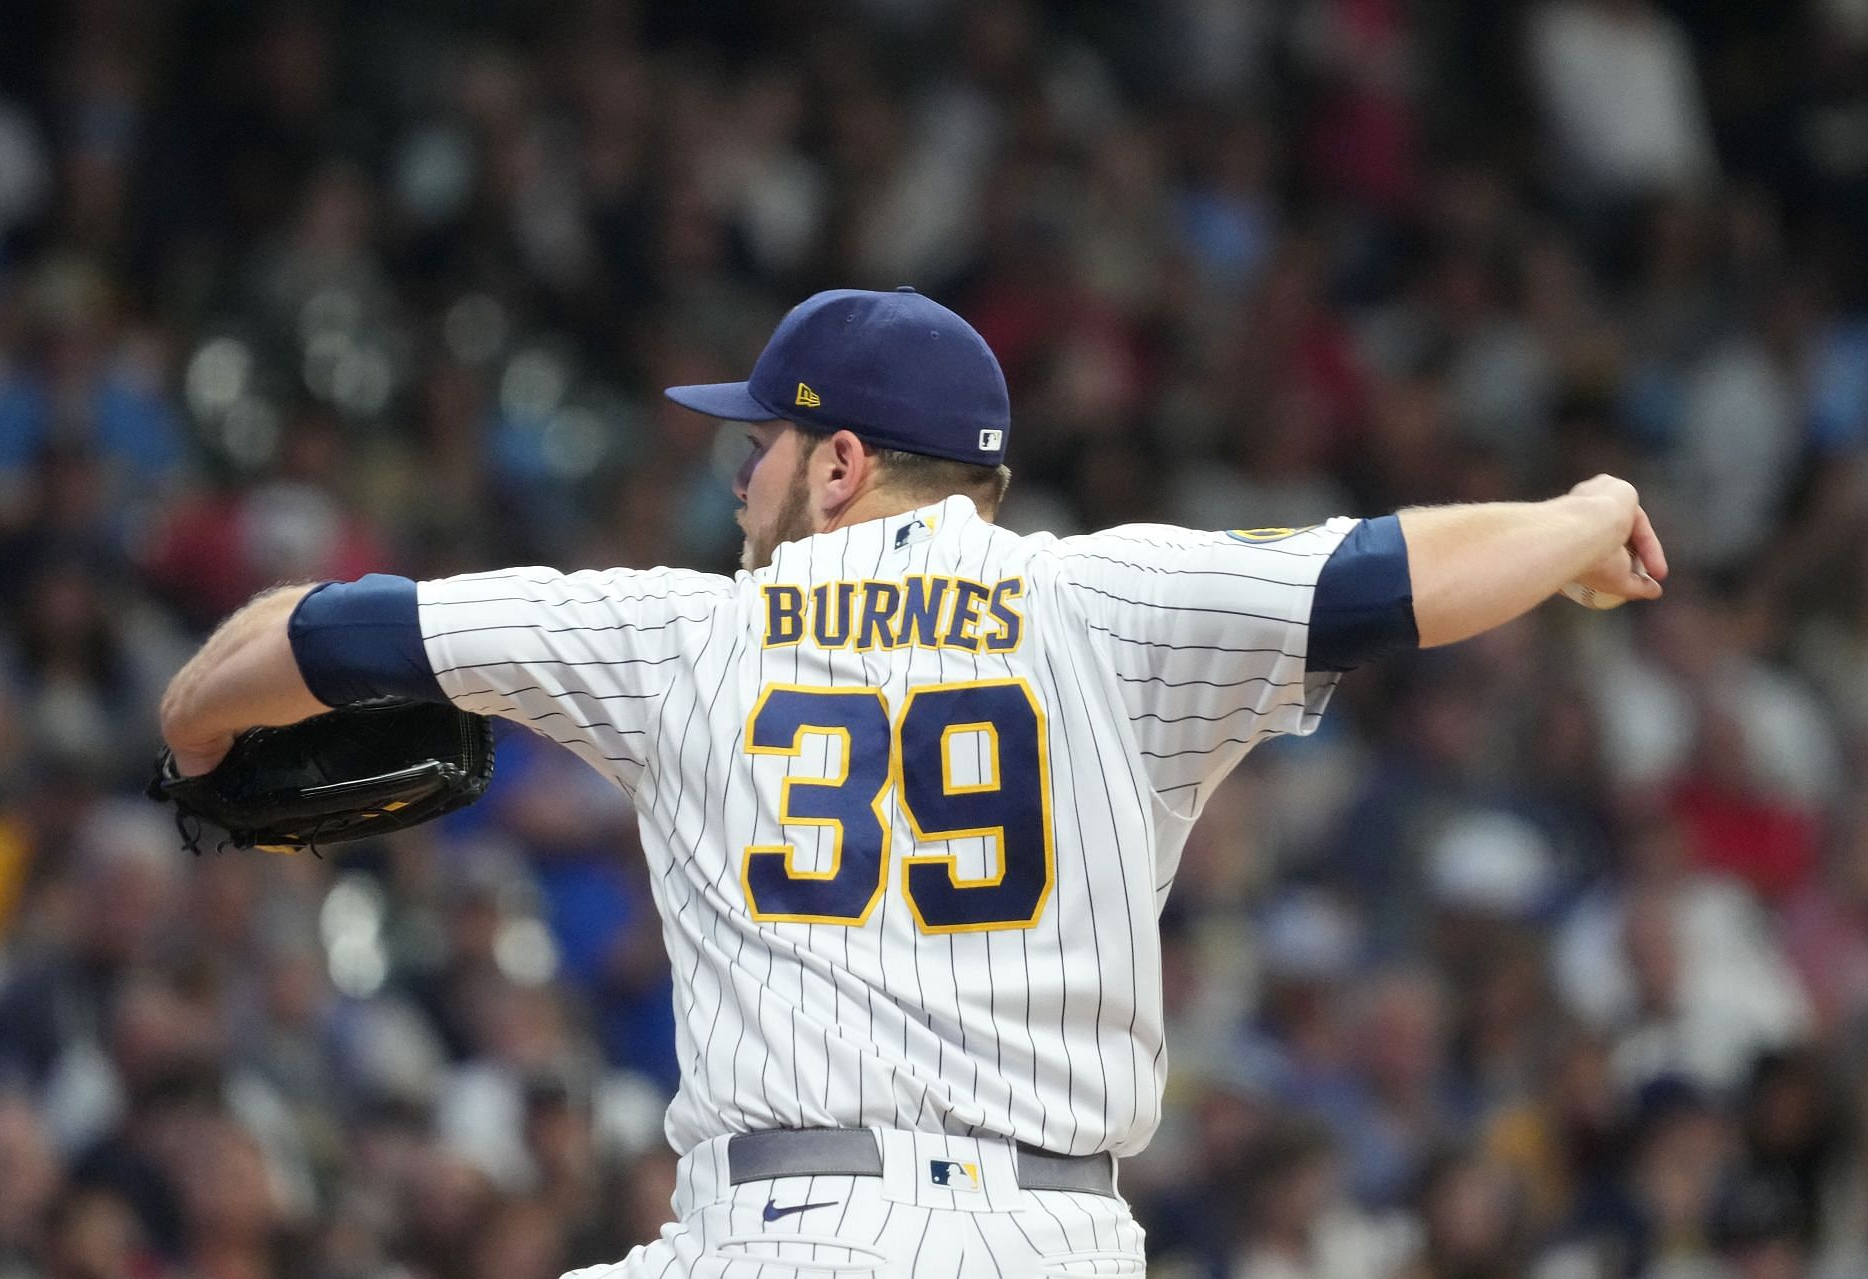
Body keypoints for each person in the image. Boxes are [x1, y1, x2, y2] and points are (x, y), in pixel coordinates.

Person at [157, 287, 1667, 1274]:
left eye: (759, 442)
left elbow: (328, 631)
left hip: (787, 1231)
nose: (738, 473)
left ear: (838, 466)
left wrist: (194, 731)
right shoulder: (1109, 601)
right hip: (1059, 1241)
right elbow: (1402, 573)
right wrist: (1588, 508)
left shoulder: (686, 627)